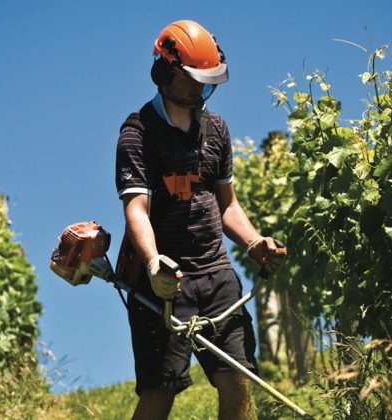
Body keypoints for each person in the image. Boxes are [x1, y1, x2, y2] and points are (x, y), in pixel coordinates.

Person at [115, 20, 286, 420]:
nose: (200, 89)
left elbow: (227, 205)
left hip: (217, 273)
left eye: (207, 81)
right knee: (160, 392)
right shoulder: (137, 134)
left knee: (239, 379)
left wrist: (254, 242)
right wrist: (156, 264)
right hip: (161, 281)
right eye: (192, 79)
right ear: (163, 72)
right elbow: (136, 208)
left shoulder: (218, 130)